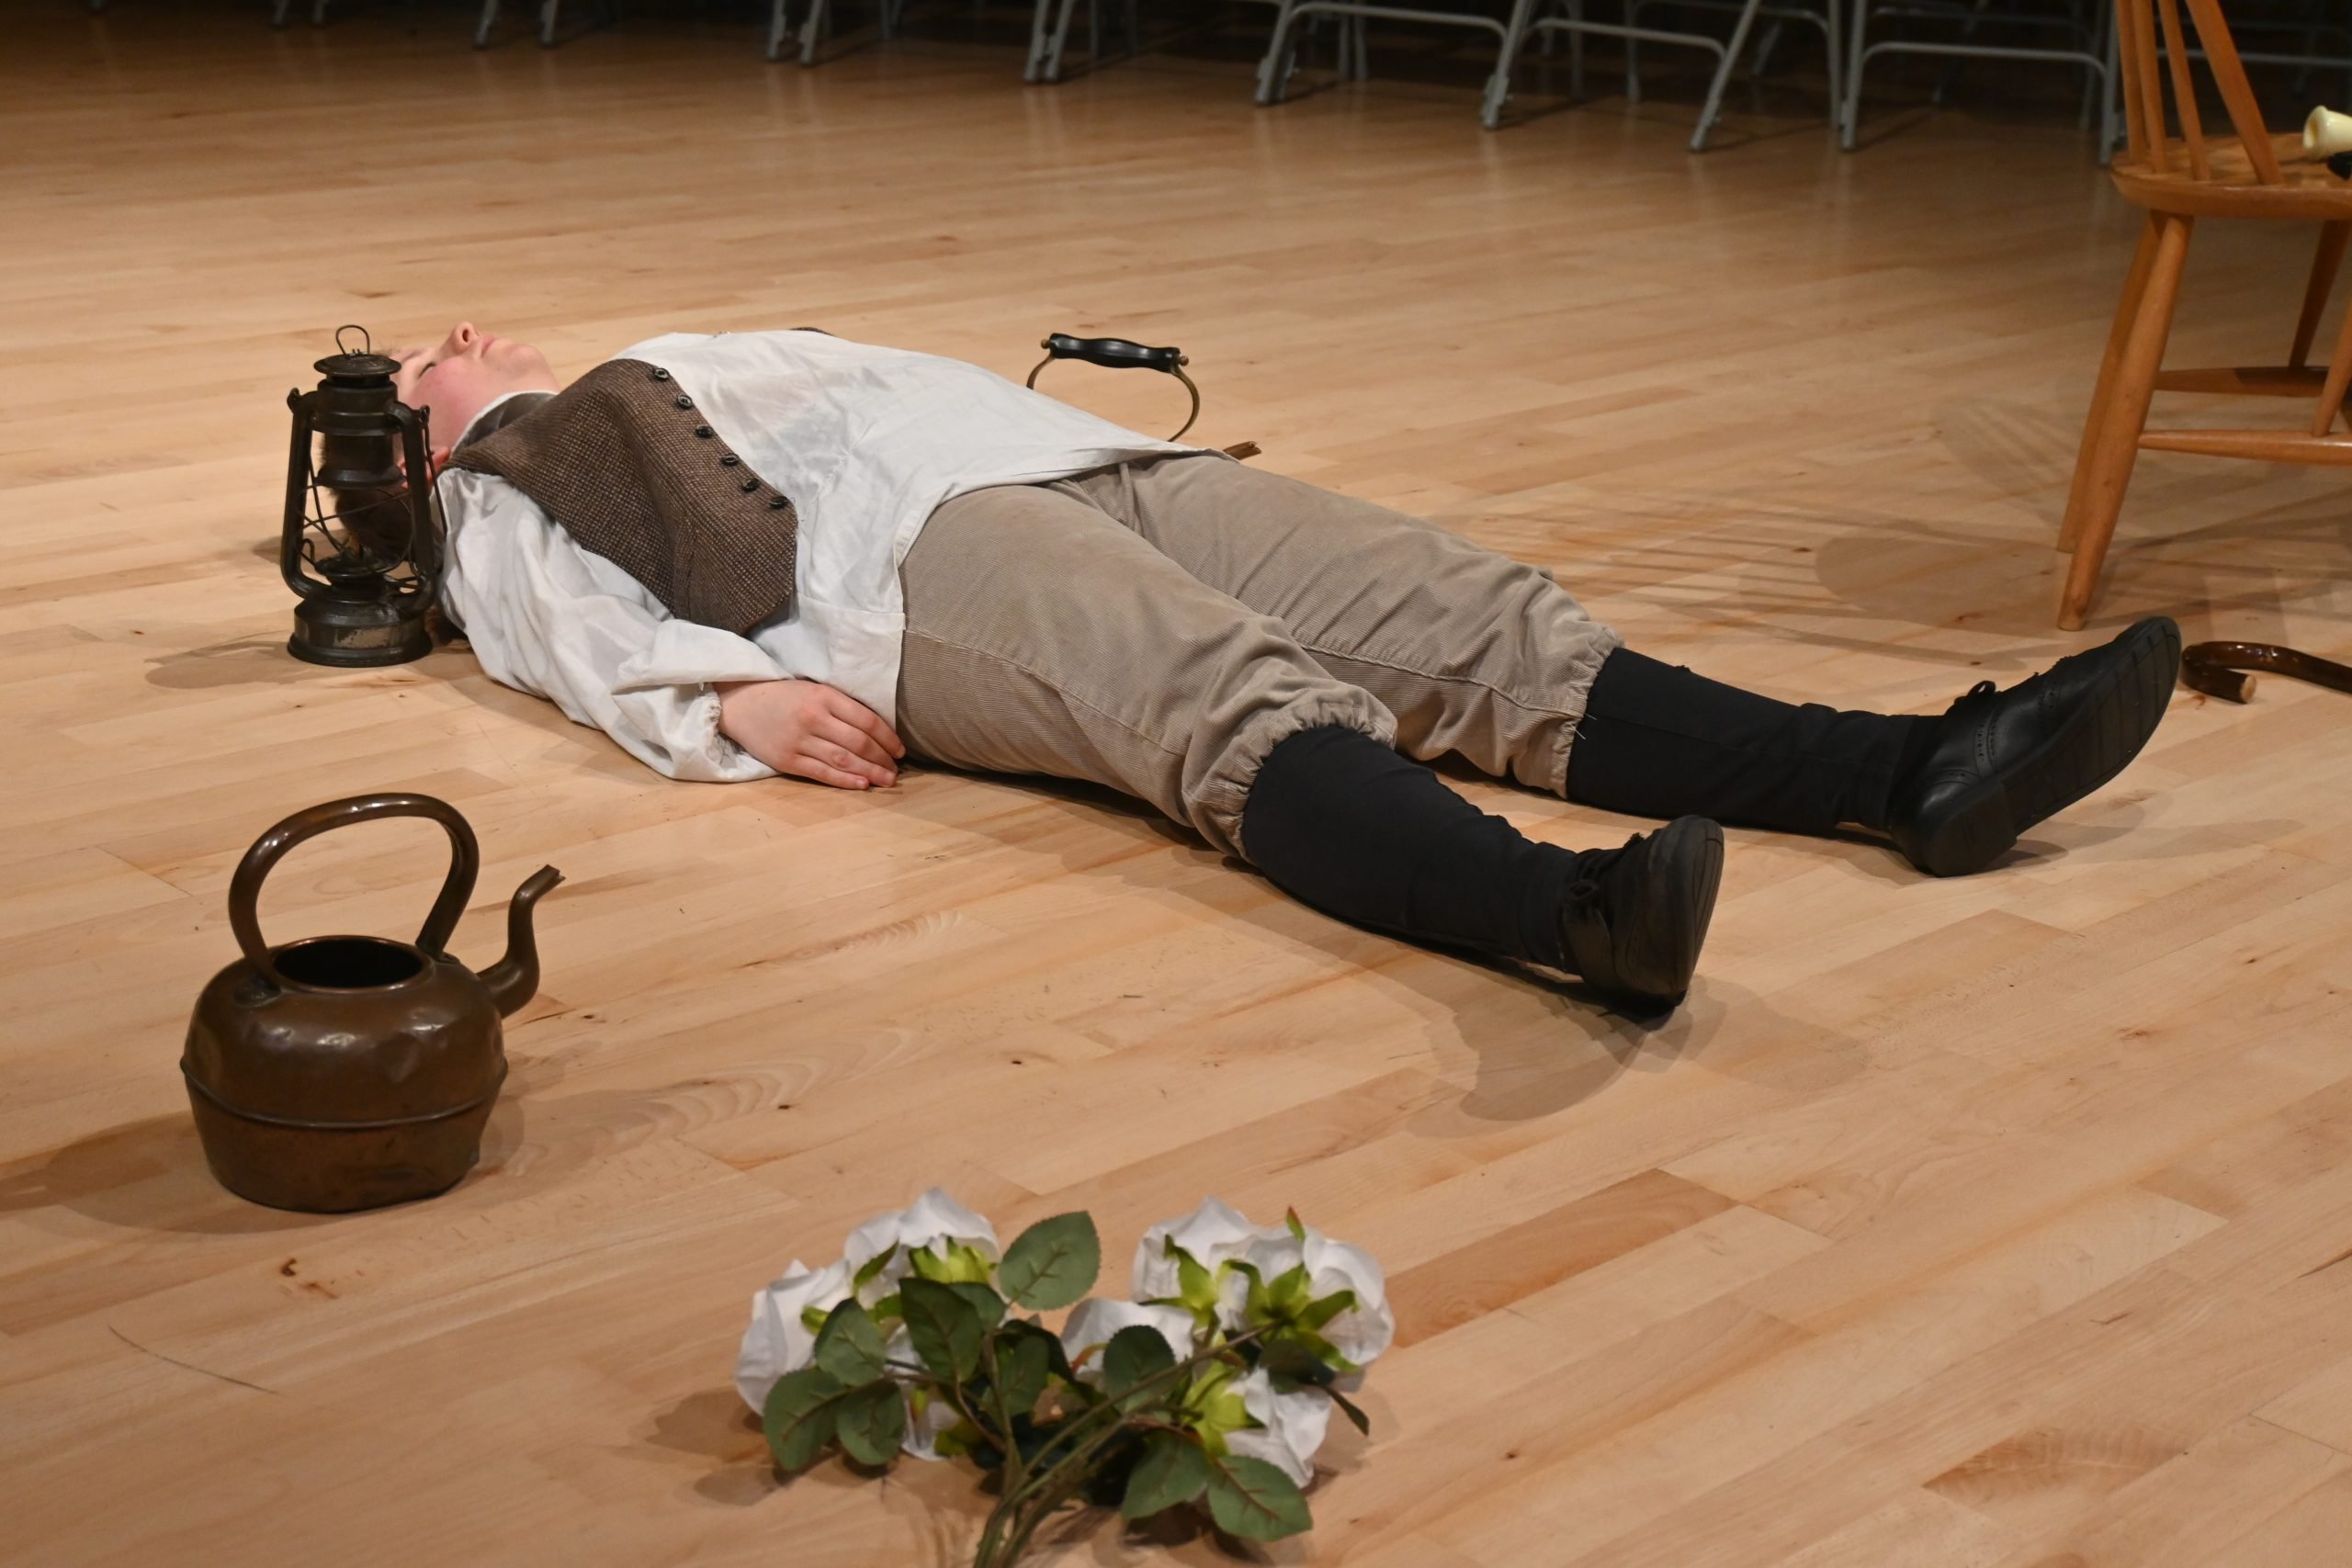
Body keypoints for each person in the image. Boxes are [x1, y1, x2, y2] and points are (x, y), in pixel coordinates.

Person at [375, 321, 2180, 1014]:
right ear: (416, 441)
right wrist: (726, 704)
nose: (455, 333)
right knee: (1222, 697)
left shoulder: (653, 354)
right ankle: (1561, 916)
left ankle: (1906, 771)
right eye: (413, 360)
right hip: (902, 571)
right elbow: (559, 639)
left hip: (1063, 459)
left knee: (1471, 618)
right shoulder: (501, 489)